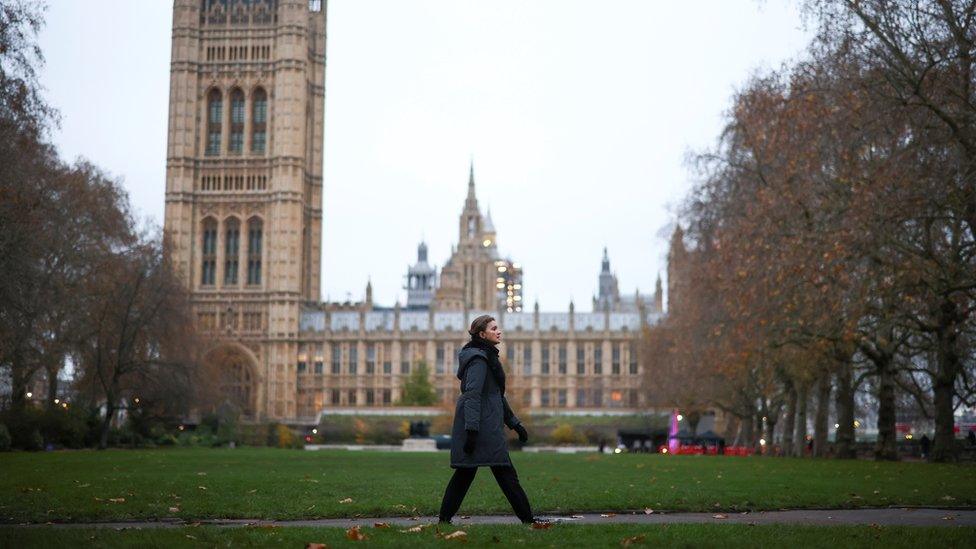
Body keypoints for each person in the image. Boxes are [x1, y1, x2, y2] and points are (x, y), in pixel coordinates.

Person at [438, 315, 539, 525]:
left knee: (476, 475)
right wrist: (472, 431)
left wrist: (514, 423)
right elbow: (472, 396)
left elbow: (494, 397)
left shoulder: (487, 357)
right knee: (500, 475)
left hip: (486, 426)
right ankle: (528, 520)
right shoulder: (479, 360)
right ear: (483, 335)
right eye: (494, 328)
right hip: (481, 428)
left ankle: (444, 520)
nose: (499, 331)